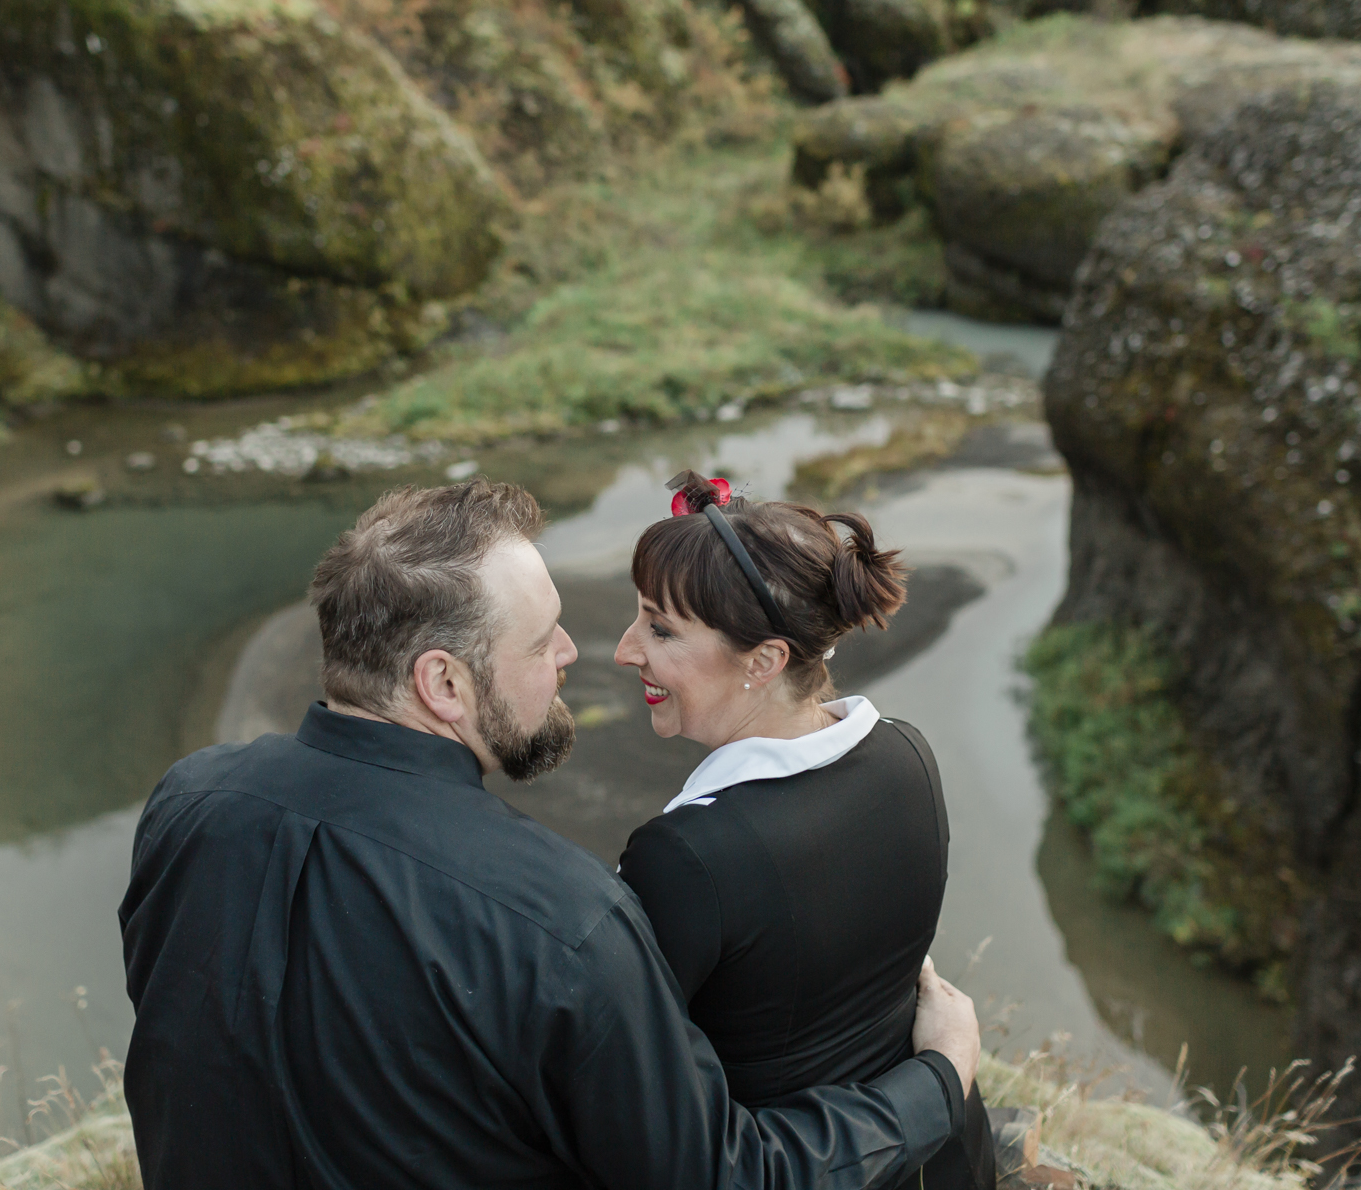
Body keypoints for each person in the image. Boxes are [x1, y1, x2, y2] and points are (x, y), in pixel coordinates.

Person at [120, 478, 982, 1190]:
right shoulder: (561, 921)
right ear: (444, 684)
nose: (579, 653)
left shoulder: (184, 804)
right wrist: (936, 1083)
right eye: (541, 642)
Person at [614, 471, 996, 1190]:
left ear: (765, 660)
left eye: (661, 629)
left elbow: (625, 1081)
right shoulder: (908, 755)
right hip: (941, 1160)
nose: (625, 650)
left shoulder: (687, 856)